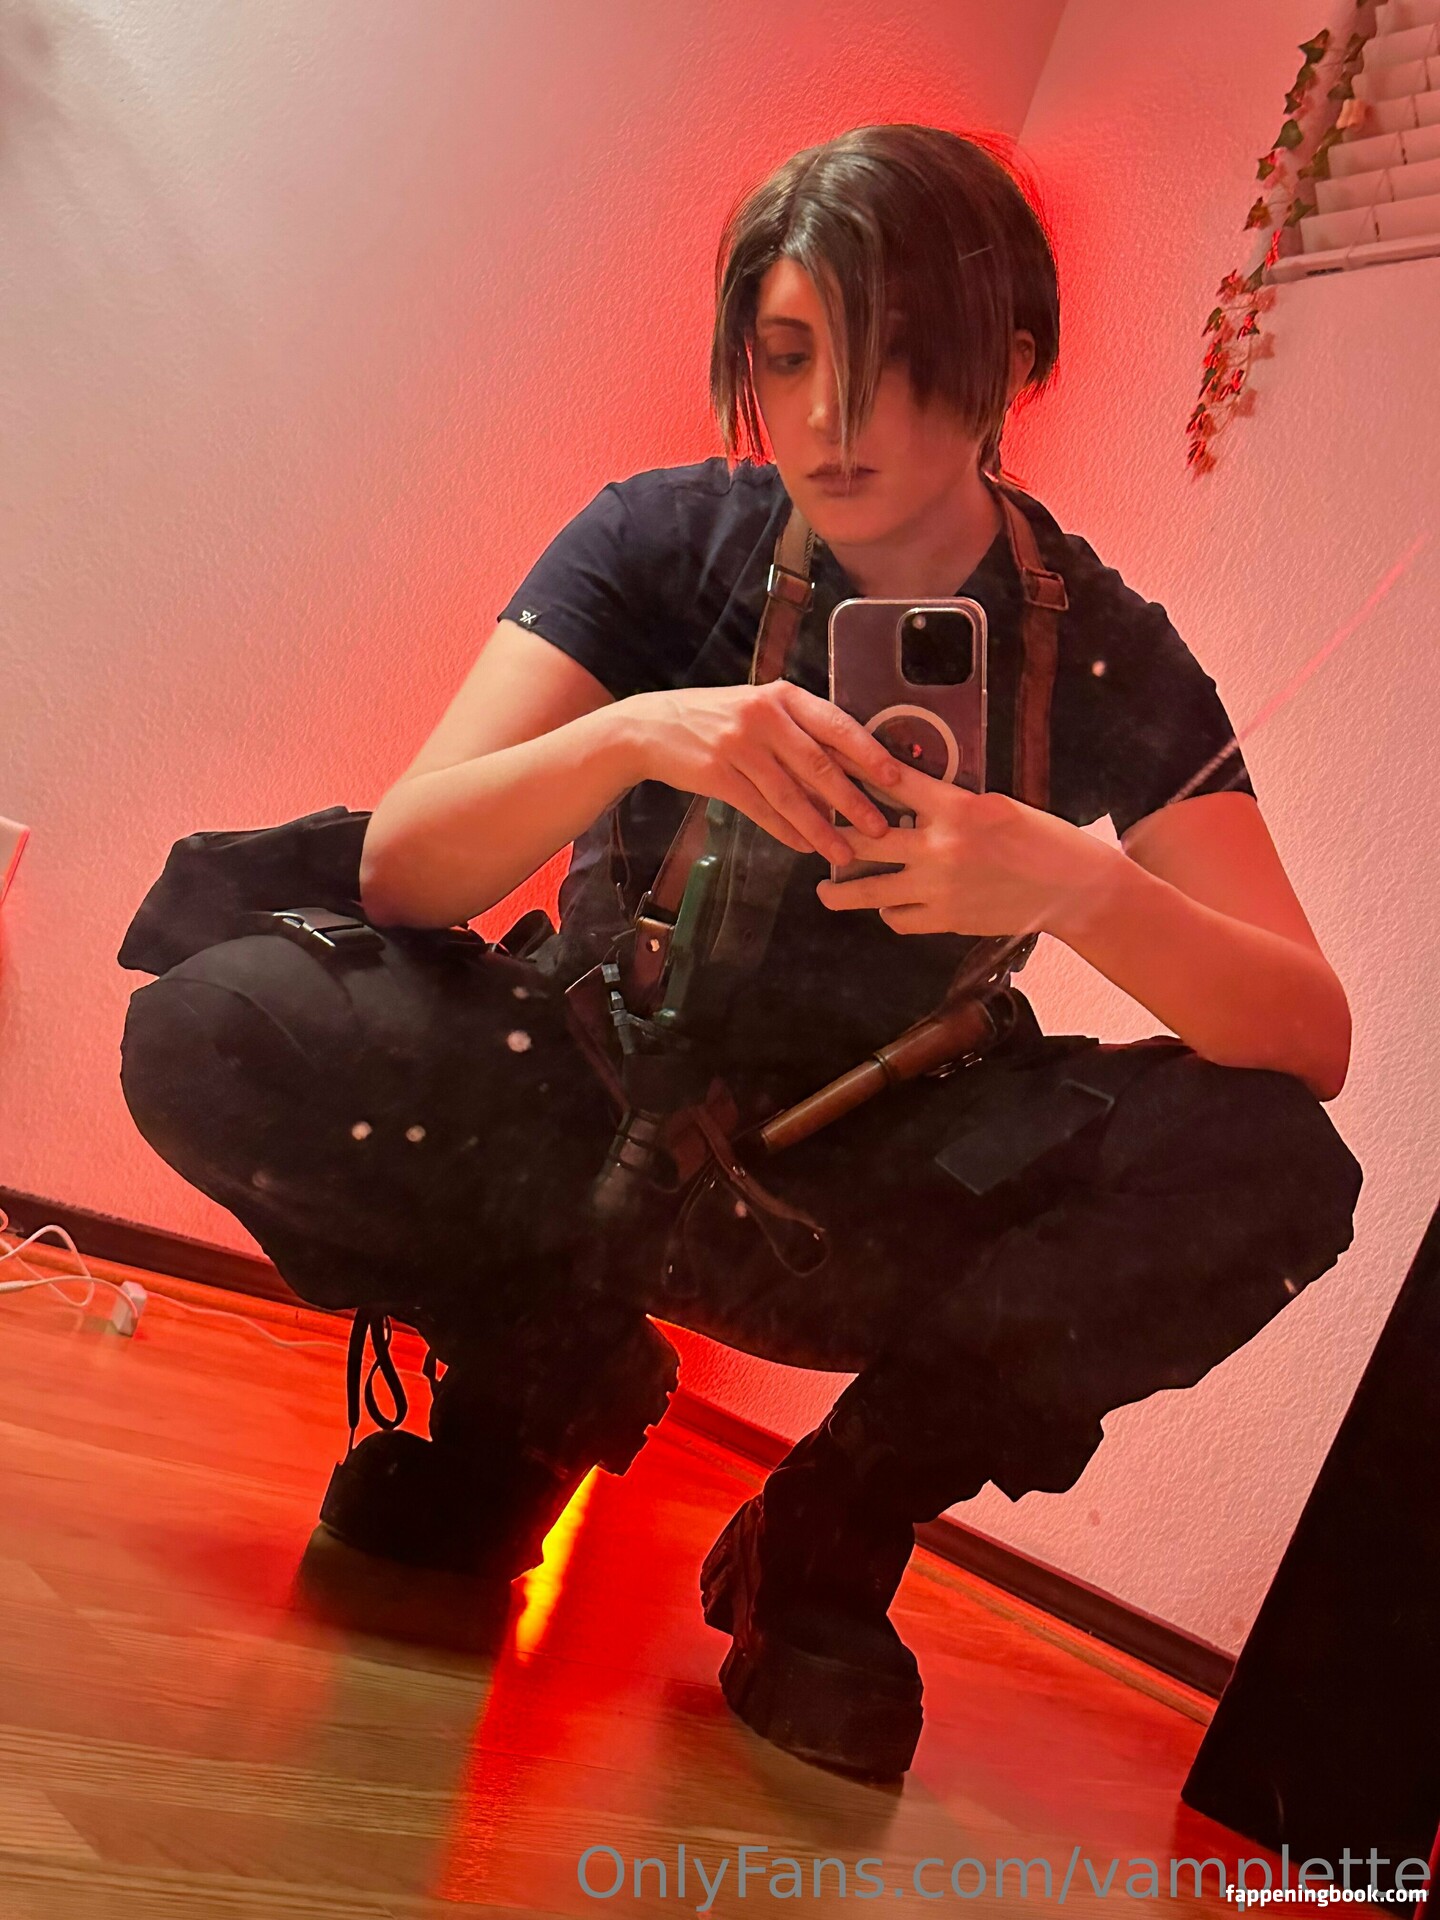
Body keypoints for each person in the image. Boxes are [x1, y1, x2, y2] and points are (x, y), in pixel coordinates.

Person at [118, 124, 1362, 1782]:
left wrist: (1076, 884)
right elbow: (409, 865)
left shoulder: (1105, 649)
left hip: (874, 1178)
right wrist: (640, 734)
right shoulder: (662, 540)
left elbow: (1309, 1038)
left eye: (890, 360)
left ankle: (830, 1534)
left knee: (1271, 1167)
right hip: (585, 1100)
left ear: (1011, 365)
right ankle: (536, 1393)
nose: (831, 422)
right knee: (217, 1024)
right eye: (787, 359)